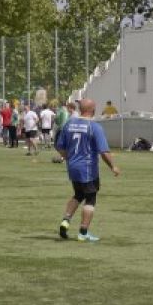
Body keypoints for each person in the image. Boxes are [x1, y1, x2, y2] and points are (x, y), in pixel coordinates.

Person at [55, 99, 121, 242]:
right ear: (93, 109)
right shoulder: (94, 127)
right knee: (90, 198)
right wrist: (113, 166)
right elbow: (104, 152)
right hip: (87, 169)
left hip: (72, 167)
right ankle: (83, 232)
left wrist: (69, 157)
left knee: (78, 194)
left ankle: (65, 221)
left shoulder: (69, 124)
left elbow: (59, 146)